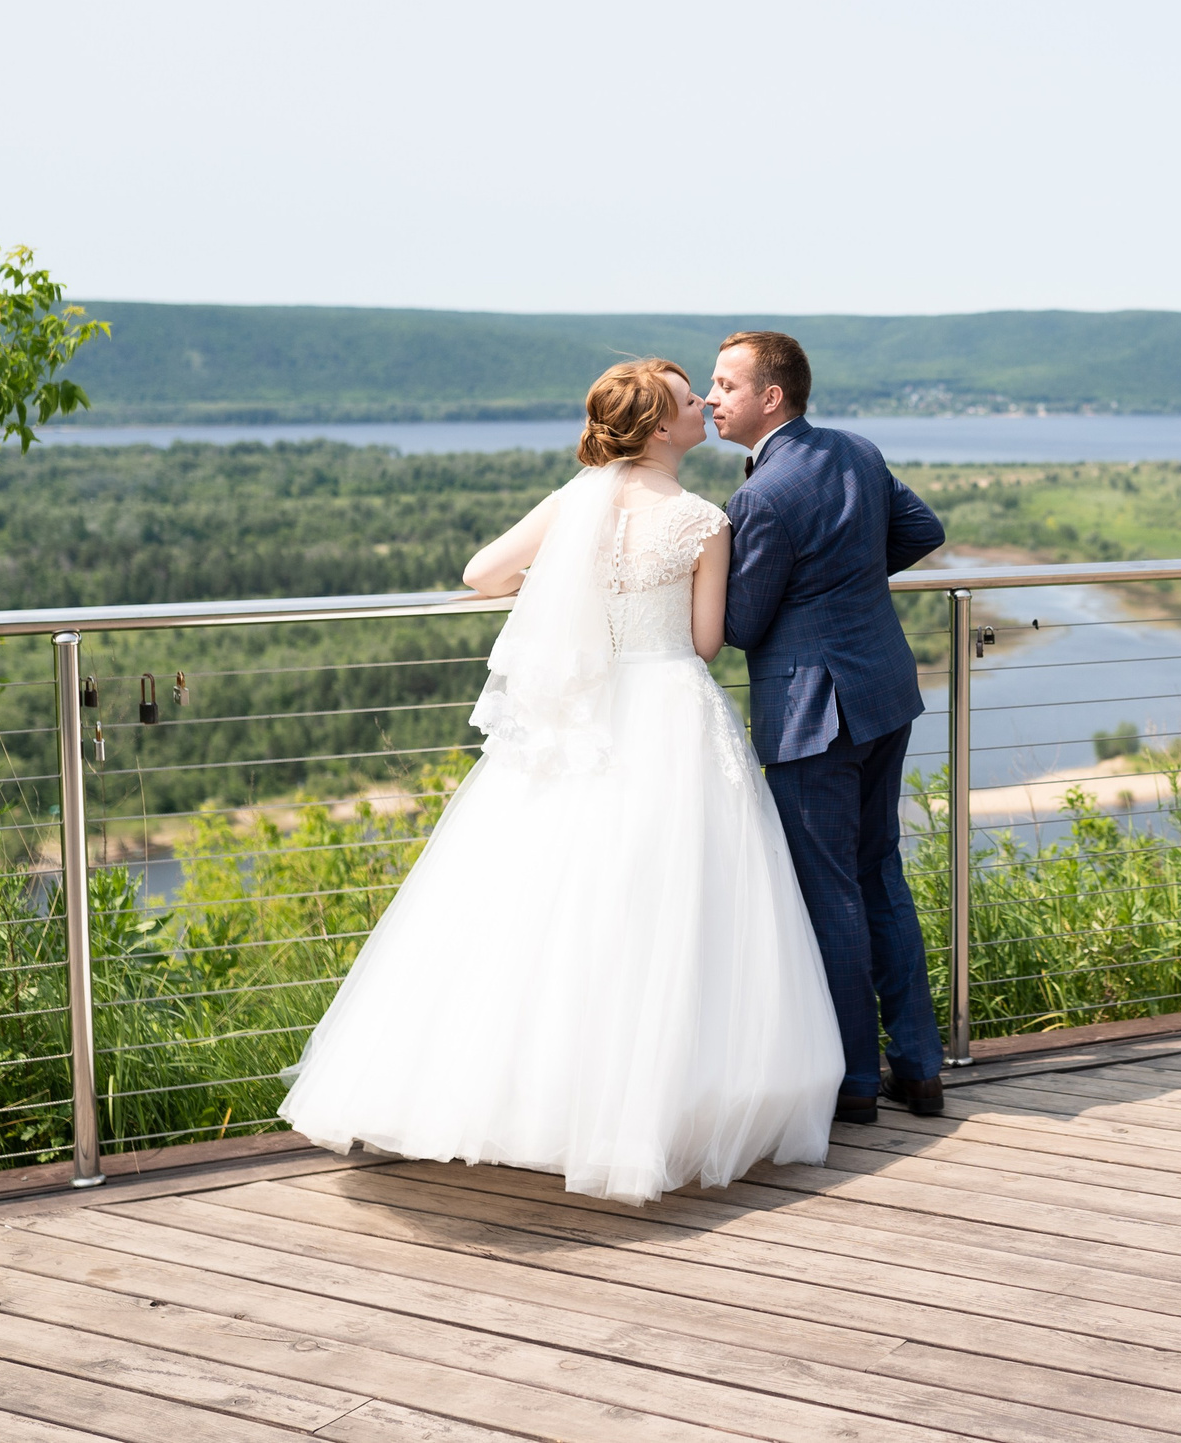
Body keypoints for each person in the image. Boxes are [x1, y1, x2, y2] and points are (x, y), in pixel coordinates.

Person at [278, 359, 844, 1202]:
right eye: (692, 401)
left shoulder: (572, 501)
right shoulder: (701, 521)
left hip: (577, 718)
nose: (703, 410)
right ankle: (651, 1104)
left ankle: (530, 1101)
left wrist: (571, 594)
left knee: (542, 901)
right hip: (665, 710)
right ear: (660, 428)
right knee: (662, 908)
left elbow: (483, 575)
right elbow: (703, 643)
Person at [706, 331, 949, 1123]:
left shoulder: (761, 497)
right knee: (880, 871)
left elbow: (741, 621)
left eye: (724, 386)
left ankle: (853, 1082)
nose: (712, 399)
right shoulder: (856, 450)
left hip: (814, 713)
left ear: (769, 398)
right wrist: (844, 585)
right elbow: (921, 530)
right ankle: (918, 1064)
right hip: (882, 691)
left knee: (830, 892)